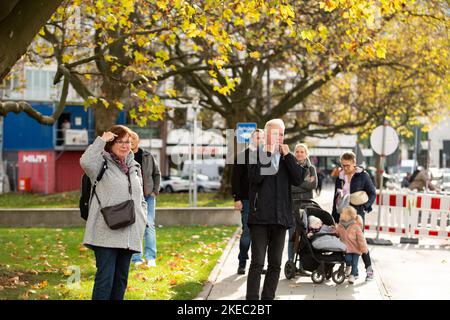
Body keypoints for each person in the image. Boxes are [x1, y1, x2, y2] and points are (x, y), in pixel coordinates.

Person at [80, 125, 147, 300]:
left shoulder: (134, 166)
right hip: (106, 231)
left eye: (128, 142)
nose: (125, 145)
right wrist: (101, 139)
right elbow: (85, 161)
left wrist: (143, 216)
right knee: (105, 279)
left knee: (120, 280)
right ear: (111, 143)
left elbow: (140, 197)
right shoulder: (100, 163)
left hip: (130, 232)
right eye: (120, 141)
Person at [246, 118, 306, 300]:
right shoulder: (254, 155)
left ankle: (267, 299)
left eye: (281, 134)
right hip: (260, 217)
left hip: (281, 218)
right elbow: (255, 177)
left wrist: (288, 157)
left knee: (275, 264)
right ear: (266, 135)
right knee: (257, 262)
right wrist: (267, 155)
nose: (279, 137)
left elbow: (298, 180)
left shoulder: (287, 157)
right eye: (275, 134)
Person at [332, 151, 376, 281]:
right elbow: (336, 198)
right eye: (343, 165)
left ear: (354, 163)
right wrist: (334, 216)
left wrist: (366, 206)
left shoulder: (363, 176)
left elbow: (372, 192)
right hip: (343, 215)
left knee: (359, 242)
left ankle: (369, 270)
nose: (345, 168)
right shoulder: (340, 177)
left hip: (357, 215)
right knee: (344, 241)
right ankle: (352, 270)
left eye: (348, 166)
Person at [231, 129, 264, 275]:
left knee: (262, 235)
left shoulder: (266, 157)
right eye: (257, 137)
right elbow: (235, 179)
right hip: (246, 199)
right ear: (251, 139)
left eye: (261, 138)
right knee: (247, 232)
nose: (259, 140)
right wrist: (237, 198)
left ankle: (259, 264)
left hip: (264, 201)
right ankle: (242, 262)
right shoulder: (242, 156)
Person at [129, 131, 161, 267]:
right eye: (129, 139)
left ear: (138, 140)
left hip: (148, 196)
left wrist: (155, 191)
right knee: (135, 226)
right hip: (131, 197)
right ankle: (136, 259)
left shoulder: (148, 156)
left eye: (134, 139)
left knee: (149, 225)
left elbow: (156, 173)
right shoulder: (124, 156)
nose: (131, 141)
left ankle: (150, 257)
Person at [287, 143, 317, 266]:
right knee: (292, 236)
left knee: (305, 236)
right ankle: (290, 262)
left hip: (307, 206)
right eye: (297, 151)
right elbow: (288, 187)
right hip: (292, 205)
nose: (299, 154)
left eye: (302, 152)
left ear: (306, 154)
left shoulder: (311, 169)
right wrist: (304, 183)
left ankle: (303, 264)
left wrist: (296, 183)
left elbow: (313, 185)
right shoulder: (289, 167)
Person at [336, 206, 368, 285]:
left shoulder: (356, 226)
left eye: (342, 213)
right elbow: (336, 233)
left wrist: (364, 249)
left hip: (356, 249)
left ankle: (352, 276)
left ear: (348, 216)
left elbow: (361, 239)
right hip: (347, 249)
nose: (340, 214)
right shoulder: (340, 226)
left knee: (355, 263)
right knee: (348, 259)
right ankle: (348, 267)